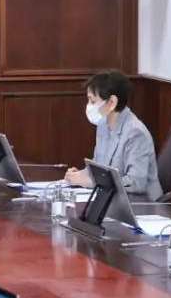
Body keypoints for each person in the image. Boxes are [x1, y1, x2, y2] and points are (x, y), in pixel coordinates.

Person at [64, 70, 163, 200]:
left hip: (143, 205)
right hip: (114, 200)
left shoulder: (136, 132)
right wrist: (79, 175)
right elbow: (100, 169)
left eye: (93, 101)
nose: (89, 106)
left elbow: (136, 183)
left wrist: (91, 182)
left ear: (112, 102)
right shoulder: (103, 125)